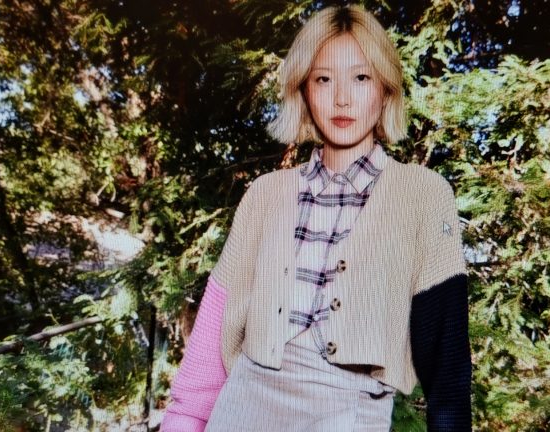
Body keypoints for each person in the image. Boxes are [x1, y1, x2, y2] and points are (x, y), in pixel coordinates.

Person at [160, 4, 471, 431]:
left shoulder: (424, 194)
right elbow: (214, 333)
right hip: (243, 405)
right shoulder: (265, 194)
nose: (342, 98)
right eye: (324, 79)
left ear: (385, 89)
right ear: (304, 90)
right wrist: (182, 421)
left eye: (361, 78)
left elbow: (447, 360)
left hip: (351, 413)